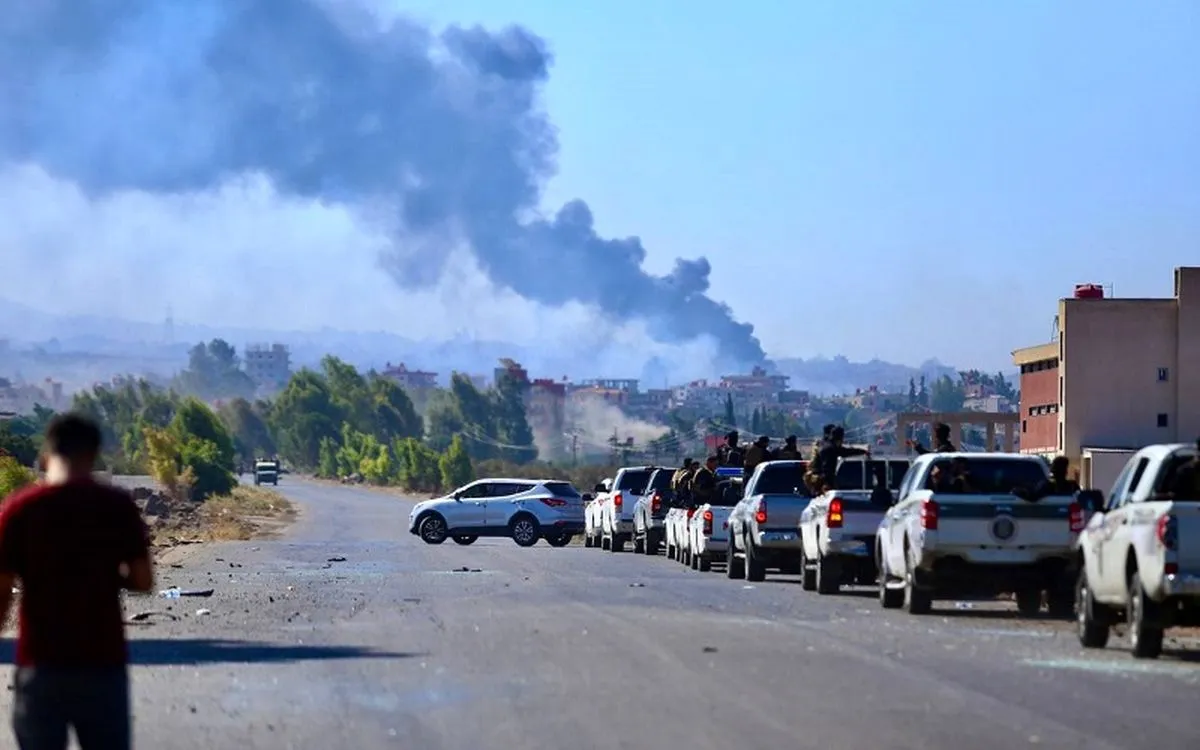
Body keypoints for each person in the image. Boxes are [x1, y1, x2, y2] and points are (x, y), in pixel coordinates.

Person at [0, 414, 154, 750]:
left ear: (45, 453)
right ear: (94, 454)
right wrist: (108, 575)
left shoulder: (18, 510)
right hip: (102, 665)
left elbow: (0, 593)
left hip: (40, 665)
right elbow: (143, 580)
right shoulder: (117, 507)